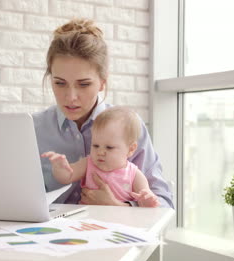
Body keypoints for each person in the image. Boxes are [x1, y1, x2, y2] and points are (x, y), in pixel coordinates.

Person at [32, 18, 174, 208]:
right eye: (59, 83)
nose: (71, 97)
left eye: (83, 84)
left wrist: (118, 206)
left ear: (102, 82)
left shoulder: (128, 126)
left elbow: (163, 203)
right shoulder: (33, 129)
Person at [42, 107, 160, 207]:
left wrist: (147, 200)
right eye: (95, 145)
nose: (100, 152)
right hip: (87, 221)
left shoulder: (134, 174)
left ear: (131, 149)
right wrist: (59, 167)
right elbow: (67, 177)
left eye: (109, 147)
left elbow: (147, 201)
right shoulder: (88, 163)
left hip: (121, 223)